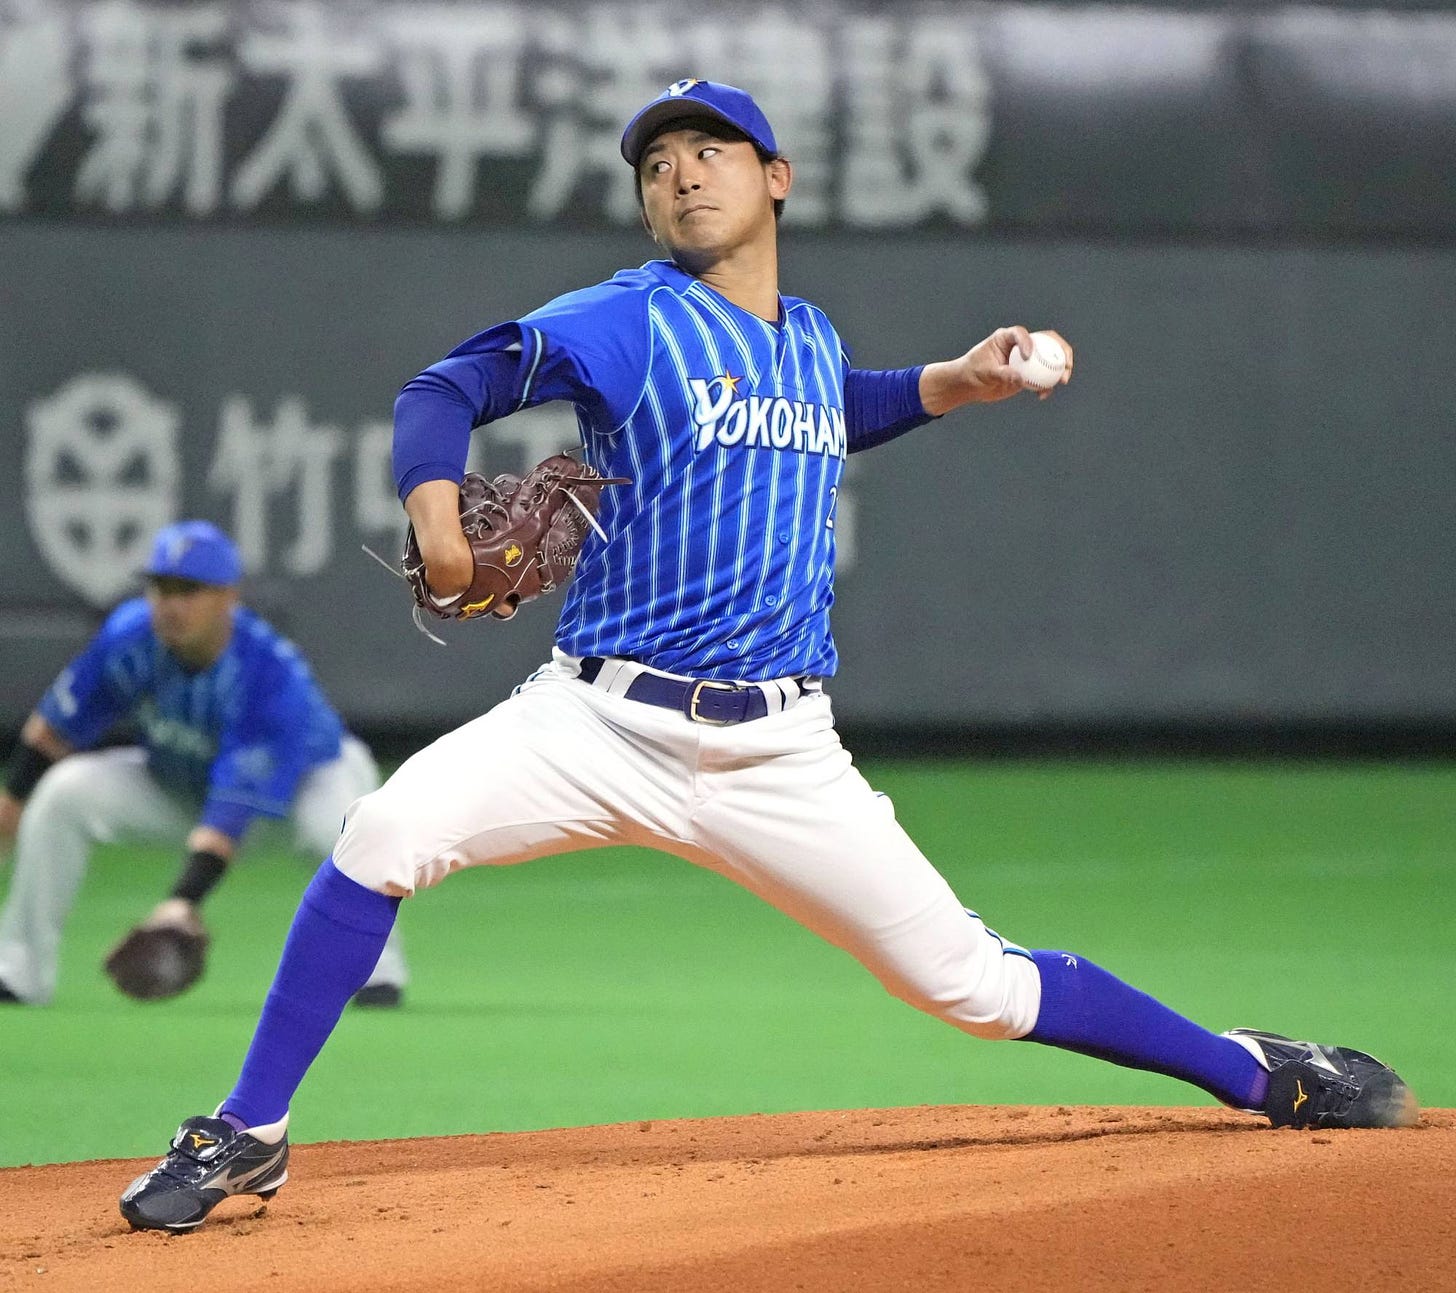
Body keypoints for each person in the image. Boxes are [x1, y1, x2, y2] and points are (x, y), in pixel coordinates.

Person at [117, 80, 1416, 1233]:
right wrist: (435, 510)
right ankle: (252, 1130)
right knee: (381, 835)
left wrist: (957, 381)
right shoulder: (627, 321)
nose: (680, 170)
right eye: (656, 160)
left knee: (974, 986)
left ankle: (1254, 1069)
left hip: (779, 750)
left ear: (774, 178)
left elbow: (837, 407)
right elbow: (443, 388)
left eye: (710, 148)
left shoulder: (805, 338)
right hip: (595, 723)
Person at [0, 520, 407, 1008]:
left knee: (341, 829)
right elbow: (54, 728)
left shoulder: (267, 672)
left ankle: (376, 973)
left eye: (189, 590)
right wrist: (10, 804)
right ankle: (18, 972)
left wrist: (182, 901)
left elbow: (228, 814)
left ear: (228, 597)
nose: (171, 604)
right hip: (183, 781)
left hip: (304, 787)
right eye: (161, 588)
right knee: (64, 793)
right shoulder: (130, 636)